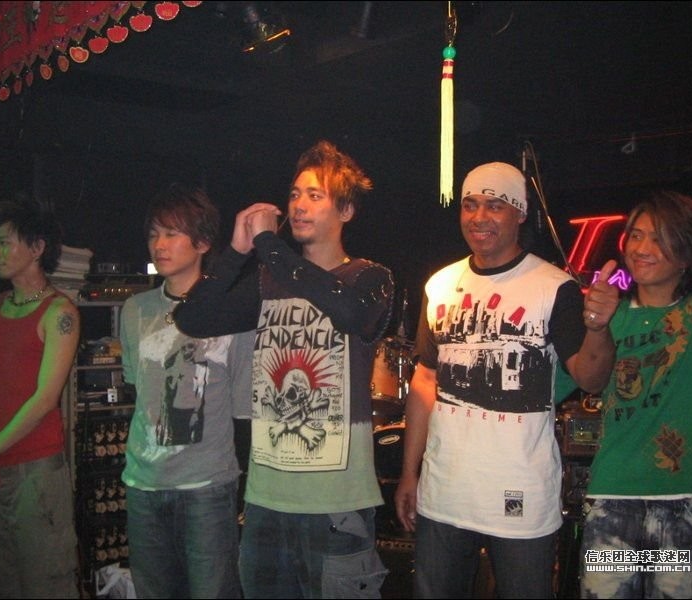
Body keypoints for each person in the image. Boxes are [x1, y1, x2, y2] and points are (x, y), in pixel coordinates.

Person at [173, 140, 395, 598]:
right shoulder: (268, 281)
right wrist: (237, 253)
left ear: (346, 210)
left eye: (315, 195)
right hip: (266, 502)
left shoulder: (368, 278)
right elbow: (192, 318)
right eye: (294, 194)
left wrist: (268, 244)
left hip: (336, 506)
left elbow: (348, 312)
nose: (298, 205)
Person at [394, 162, 620, 598]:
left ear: (520, 213)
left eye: (495, 205)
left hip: (522, 496)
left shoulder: (553, 287)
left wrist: (598, 327)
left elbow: (592, 379)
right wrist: (409, 472)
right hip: (445, 493)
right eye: (470, 205)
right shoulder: (440, 284)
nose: (479, 217)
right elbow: (425, 381)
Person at [579, 191, 692, 599]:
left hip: (684, 500)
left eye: (659, 238)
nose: (642, 248)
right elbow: (581, 381)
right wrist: (595, 325)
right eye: (636, 235)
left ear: (687, 252)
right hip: (611, 500)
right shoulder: (610, 316)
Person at [119, 183, 255, 599]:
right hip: (143, 484)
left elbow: (243, 409)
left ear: (202, 243)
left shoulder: (231, 313)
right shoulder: (135, 309)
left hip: (206, 488)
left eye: (171, 233)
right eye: (154, 234)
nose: (159, 244)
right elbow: (137, 390)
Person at [0, 197, 81, 598]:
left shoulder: (60, 312)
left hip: (37, 473)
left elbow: (45, 398)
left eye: (4, 243)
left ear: (37, 247)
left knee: (46, 583)